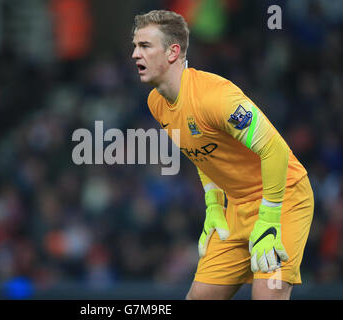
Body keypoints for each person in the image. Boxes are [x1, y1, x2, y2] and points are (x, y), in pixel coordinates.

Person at [131, 10, 314, 300]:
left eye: (144, 46)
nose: (134, 54)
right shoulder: (157, 103)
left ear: (172, 52)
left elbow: (275, 149)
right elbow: (202, 150)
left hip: (283, 198)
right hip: (237, 207)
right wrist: (214, 204)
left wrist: (268, 219)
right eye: (135, 46)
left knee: (268, 296)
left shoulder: (215, 98)